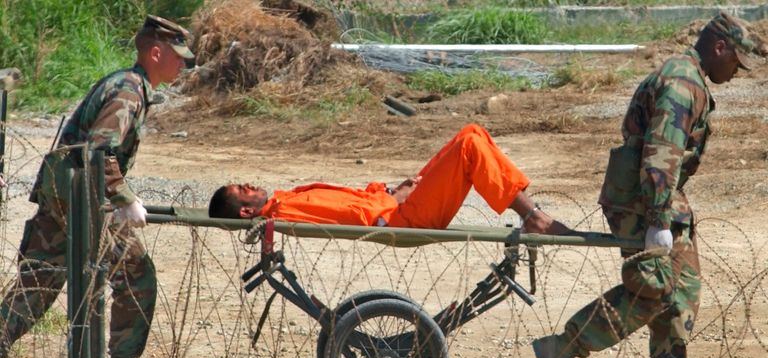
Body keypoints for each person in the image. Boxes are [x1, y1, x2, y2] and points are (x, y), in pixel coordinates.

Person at [531, 11, 754, 358]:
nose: (737, 72)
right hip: (643, 199)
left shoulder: (689, 77)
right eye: (736, 62)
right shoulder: (682, 84)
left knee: (680, 292)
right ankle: (564, 346)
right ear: (719, 47)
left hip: (659, 198)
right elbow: (660, 153)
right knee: (655, 288)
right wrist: (657, 220)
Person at [0, 16, 194, 358]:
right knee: (136, 271)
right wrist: (124, 199)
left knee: (40, 278)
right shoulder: (129, 91)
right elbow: (98, 150)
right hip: (80, 194)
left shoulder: (131, 84)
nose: (182, 64)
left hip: (64, 188)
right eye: (178, 56)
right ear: (156, 53)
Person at [209, 123, 569, 236]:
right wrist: (396, 200)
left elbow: (354, 200)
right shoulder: (287, 209)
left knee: (470, 131)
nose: (252, 186)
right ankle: (533, 217)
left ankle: (528, 210)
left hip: (397, 204)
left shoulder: (283, 200)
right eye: (244, 191)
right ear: (244, 212)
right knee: (471, 147)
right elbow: (357, 217)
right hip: (403, 219)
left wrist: (392, 189)